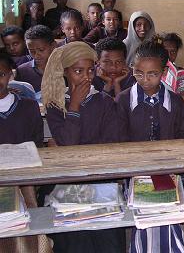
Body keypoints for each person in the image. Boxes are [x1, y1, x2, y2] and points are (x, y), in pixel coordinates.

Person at [40, 41, 125, 252]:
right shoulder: (55, 105)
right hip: (68, 178)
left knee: (107, 238)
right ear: (65, 72)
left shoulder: (105, 102)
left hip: (99, 176)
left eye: (90, 70)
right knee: (76, 239)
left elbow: (110, 144)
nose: (86, 77)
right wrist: (75, 105)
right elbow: (68, 142)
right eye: (78, 71)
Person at [115, 37, 184, 253]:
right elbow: (119, 142)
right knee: (145, 217)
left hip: (168, 170)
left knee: (167, 215)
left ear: (164, 73)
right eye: (138, 73)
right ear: (132, 69)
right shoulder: (123, 101)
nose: (145, 79)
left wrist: (179, 172)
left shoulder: (175, 102)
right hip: (135, 172)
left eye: (153, 74)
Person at [0, 51, 46, 253]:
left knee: (30, 227)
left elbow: (37, 143)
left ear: (10, 75)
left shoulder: (28, 107)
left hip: (25, 178)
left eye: (0, 74)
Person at [15, 25, 56, 102]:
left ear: (53, 46)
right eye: (31, 51)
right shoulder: (22, 71)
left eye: (41, 50)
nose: (36, 55)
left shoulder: (64, 68)